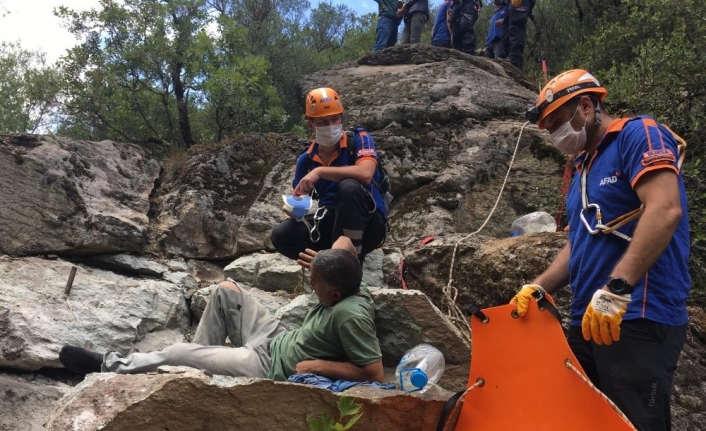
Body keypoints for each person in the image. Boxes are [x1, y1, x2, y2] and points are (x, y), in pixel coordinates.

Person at [512, 69, 690, 431]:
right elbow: (580, 241)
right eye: (549, 130)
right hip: (589, 319)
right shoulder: (582, 169)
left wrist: (618, 287)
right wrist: (540, 285)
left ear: (587, 105)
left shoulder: (637, 135)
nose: (556, 135)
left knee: (636, 423)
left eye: (559, 122)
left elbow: (665, 208)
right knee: (577, 419)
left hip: (638, 312)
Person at [59, 237, 384, 384]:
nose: (311, 286)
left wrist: (318, 365)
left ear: (337, 292)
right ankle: (200, 368)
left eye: (315, 283)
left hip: (267, 366)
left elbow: (373, 373)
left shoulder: (349, 314)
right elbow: (344, 242)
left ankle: (106, 364)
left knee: (175, 352)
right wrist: (324, 259)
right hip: (276, 338)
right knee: (226, 290)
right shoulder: (352, 279)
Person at [270, 87, 388, 263]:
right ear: (311, 125)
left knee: (349, 187)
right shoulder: (306, 159)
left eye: (335, 119)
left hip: (368, 223)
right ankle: (324, 265)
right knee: (281, 234)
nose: (331, 126)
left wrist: (320, 172)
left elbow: (366, 174)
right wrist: (294, 210)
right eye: (323, 122)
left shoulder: (359, 139)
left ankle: (349, 262)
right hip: (331, 222)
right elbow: (299, 200)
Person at [501, 0, 535, 69]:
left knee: (516, 24)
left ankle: (514, 60)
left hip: (520, 2)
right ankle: (508, 56)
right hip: (512, 4)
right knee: (507, 28)